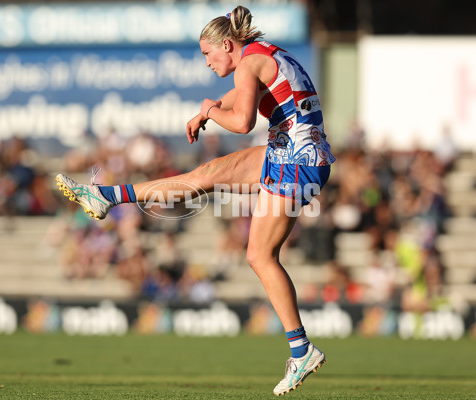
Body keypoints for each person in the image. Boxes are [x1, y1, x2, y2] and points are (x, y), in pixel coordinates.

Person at [55, 5, 335, 395]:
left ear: (226, 44)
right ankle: (104, 196)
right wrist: (208, 110)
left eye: (208, 54)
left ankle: (301, 350)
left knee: (259, 255)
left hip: (297, 161)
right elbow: (241, 94)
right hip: (293, 153)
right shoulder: (261, 54)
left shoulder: (249, 62)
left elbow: (241, 122)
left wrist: (210, 110)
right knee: (202, 177)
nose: (206, 62)